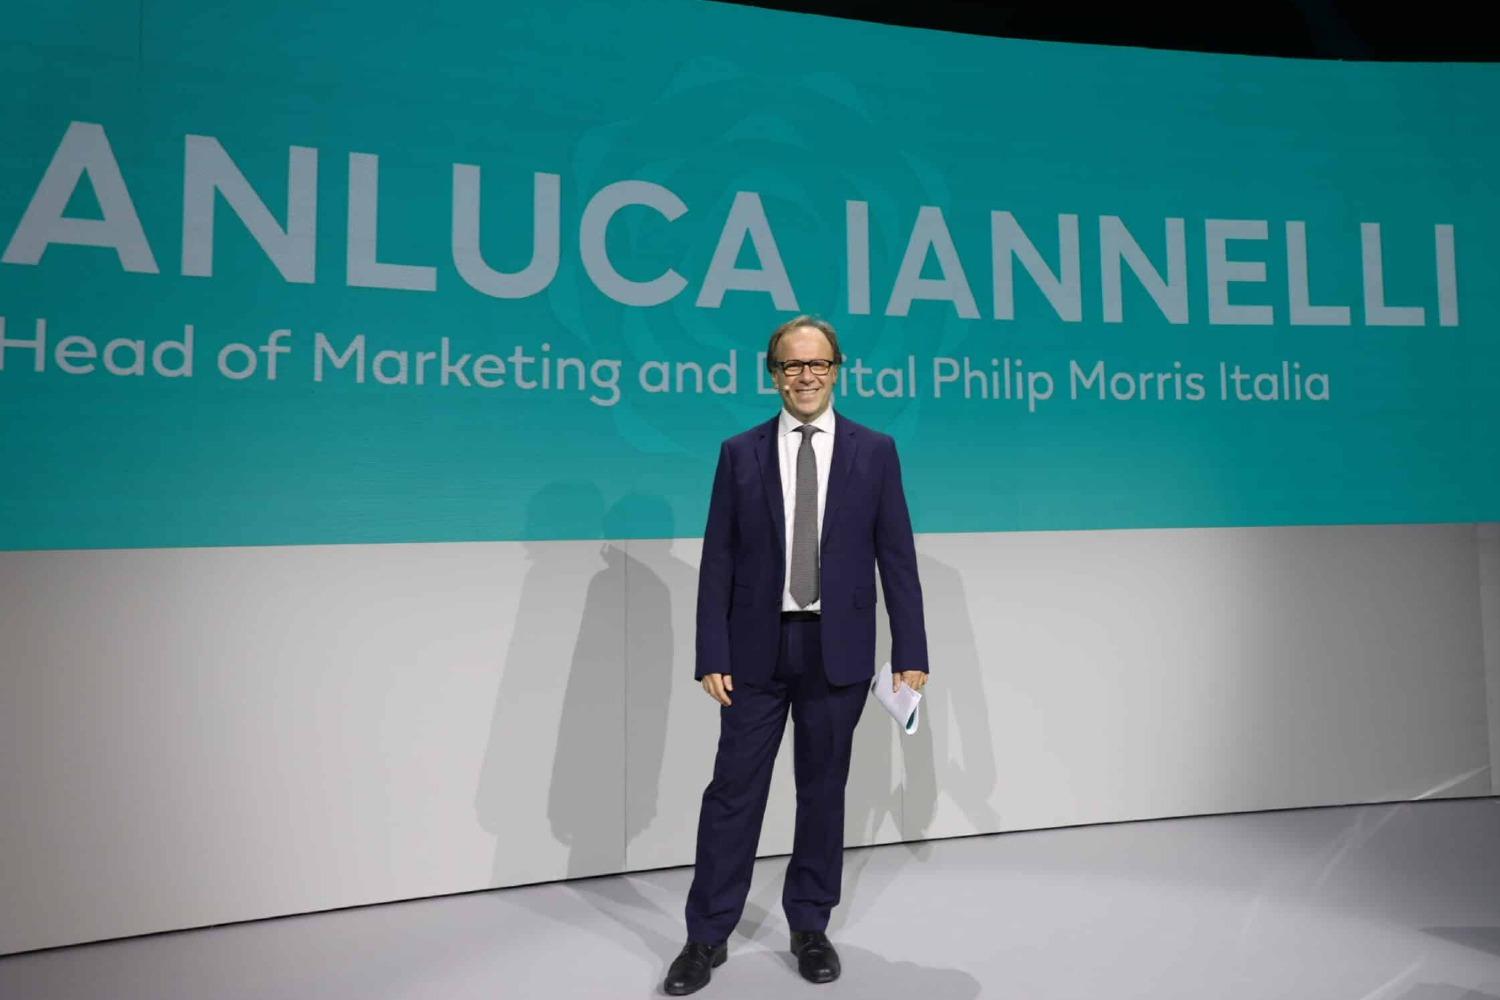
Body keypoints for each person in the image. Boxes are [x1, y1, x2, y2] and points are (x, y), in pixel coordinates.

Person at [664, 315, 930, 994]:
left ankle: (810, 925)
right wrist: (711, 651)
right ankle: (705, 936)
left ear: (837, 370)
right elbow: (718, 559)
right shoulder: (739, 453)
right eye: (791, 365)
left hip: (837, 649)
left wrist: (912, 649)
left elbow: (897, 557)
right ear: (772, 373)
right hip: (753, 650)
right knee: (733, 792)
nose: (805, 376)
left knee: (822, 791)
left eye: (818, 364)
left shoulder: (876, 451)